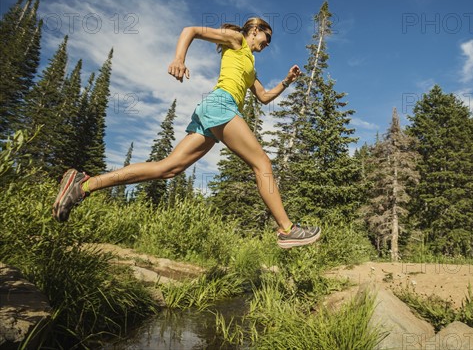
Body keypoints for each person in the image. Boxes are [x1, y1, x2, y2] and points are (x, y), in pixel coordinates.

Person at [52, 17, 321, 249]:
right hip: (220, 105)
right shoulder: (236, 39)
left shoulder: (249, 65)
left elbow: (263, 97)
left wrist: (286, 82)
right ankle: (287, 229)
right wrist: (179, 59)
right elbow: (190, 30)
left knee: (167, 168)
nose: (267, 43)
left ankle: (84, 184)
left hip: (215, 113)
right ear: (254, 30)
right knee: (261, 162)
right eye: (267, 36)